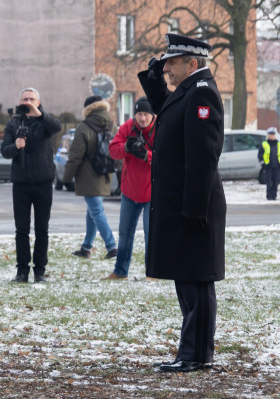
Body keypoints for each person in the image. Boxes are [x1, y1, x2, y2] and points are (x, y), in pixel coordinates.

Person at [139, 32, 226, 373]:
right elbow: (166, 107)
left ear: (192, 63)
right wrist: (152, 81)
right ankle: (189, 352)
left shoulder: (202, 95)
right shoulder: (188, 93)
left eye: (170, 63)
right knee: (186, 279)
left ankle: (196, 355)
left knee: (196, 281)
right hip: (184, 204)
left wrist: (194, 207)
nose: (166, 69)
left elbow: (203, 157)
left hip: (195, 205)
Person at [0, 87, 62, 283]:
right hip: (21, 182)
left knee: (42, 228)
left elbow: (57, 127)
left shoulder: (45, 121)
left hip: (43, 181)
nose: (28, 102)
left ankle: (40, 271)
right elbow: (5, 151)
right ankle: (22, 271)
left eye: (32, 99)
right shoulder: (13, 122)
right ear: (20, 102)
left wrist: (40, 114)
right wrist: (15, 146)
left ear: (38, 101)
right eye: (25, 99)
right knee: (21, 229)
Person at [105, 97, 155, 280]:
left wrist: (146, 155)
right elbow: (113, 150)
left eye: (146, 114)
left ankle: (153, 272)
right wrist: (127, 147)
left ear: (152, 115)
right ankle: (120, 271)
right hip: (130, 190)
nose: (142, 118)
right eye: (139, 114)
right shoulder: (127, 127)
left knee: (152, 234)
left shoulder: (160, 128)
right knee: (125, 234)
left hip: (152, 192)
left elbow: (167, 157)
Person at [64, 95, 118, 260]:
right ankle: (86, 247)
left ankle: (112, 246)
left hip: (89, 176)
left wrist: (67, 178)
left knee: (96, 211)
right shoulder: (112, 125)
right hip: (105, 173)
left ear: (88, 109)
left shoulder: (83, 127)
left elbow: (75, 156)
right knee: (92, 212)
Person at [257, 127, 280, 200]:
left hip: (277, 166)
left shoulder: (278, 144)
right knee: (269, 182)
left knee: (276, 182)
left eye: (273, 134)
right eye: (271, 134)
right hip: (268, 166)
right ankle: (269, 196)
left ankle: (274, 196)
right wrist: (263, 163)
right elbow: (260, 155)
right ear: (268, 135)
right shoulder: (264, 144)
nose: (272, 136)